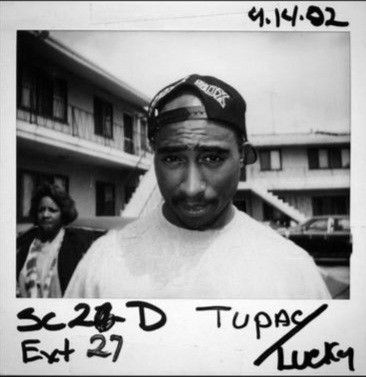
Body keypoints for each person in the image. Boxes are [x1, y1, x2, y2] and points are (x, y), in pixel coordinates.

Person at [65, 74, 331, 299]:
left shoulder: (293, 271)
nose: (192, 188)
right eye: (172, 158)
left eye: (212, 158)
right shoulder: (102, 264)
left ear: (243, 157)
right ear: (154, 157)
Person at [17, 183, 97, 298]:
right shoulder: (26, 242)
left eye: (52, 210)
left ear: (63, 213)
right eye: (41, 210)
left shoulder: (75, 243)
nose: (45, 214)